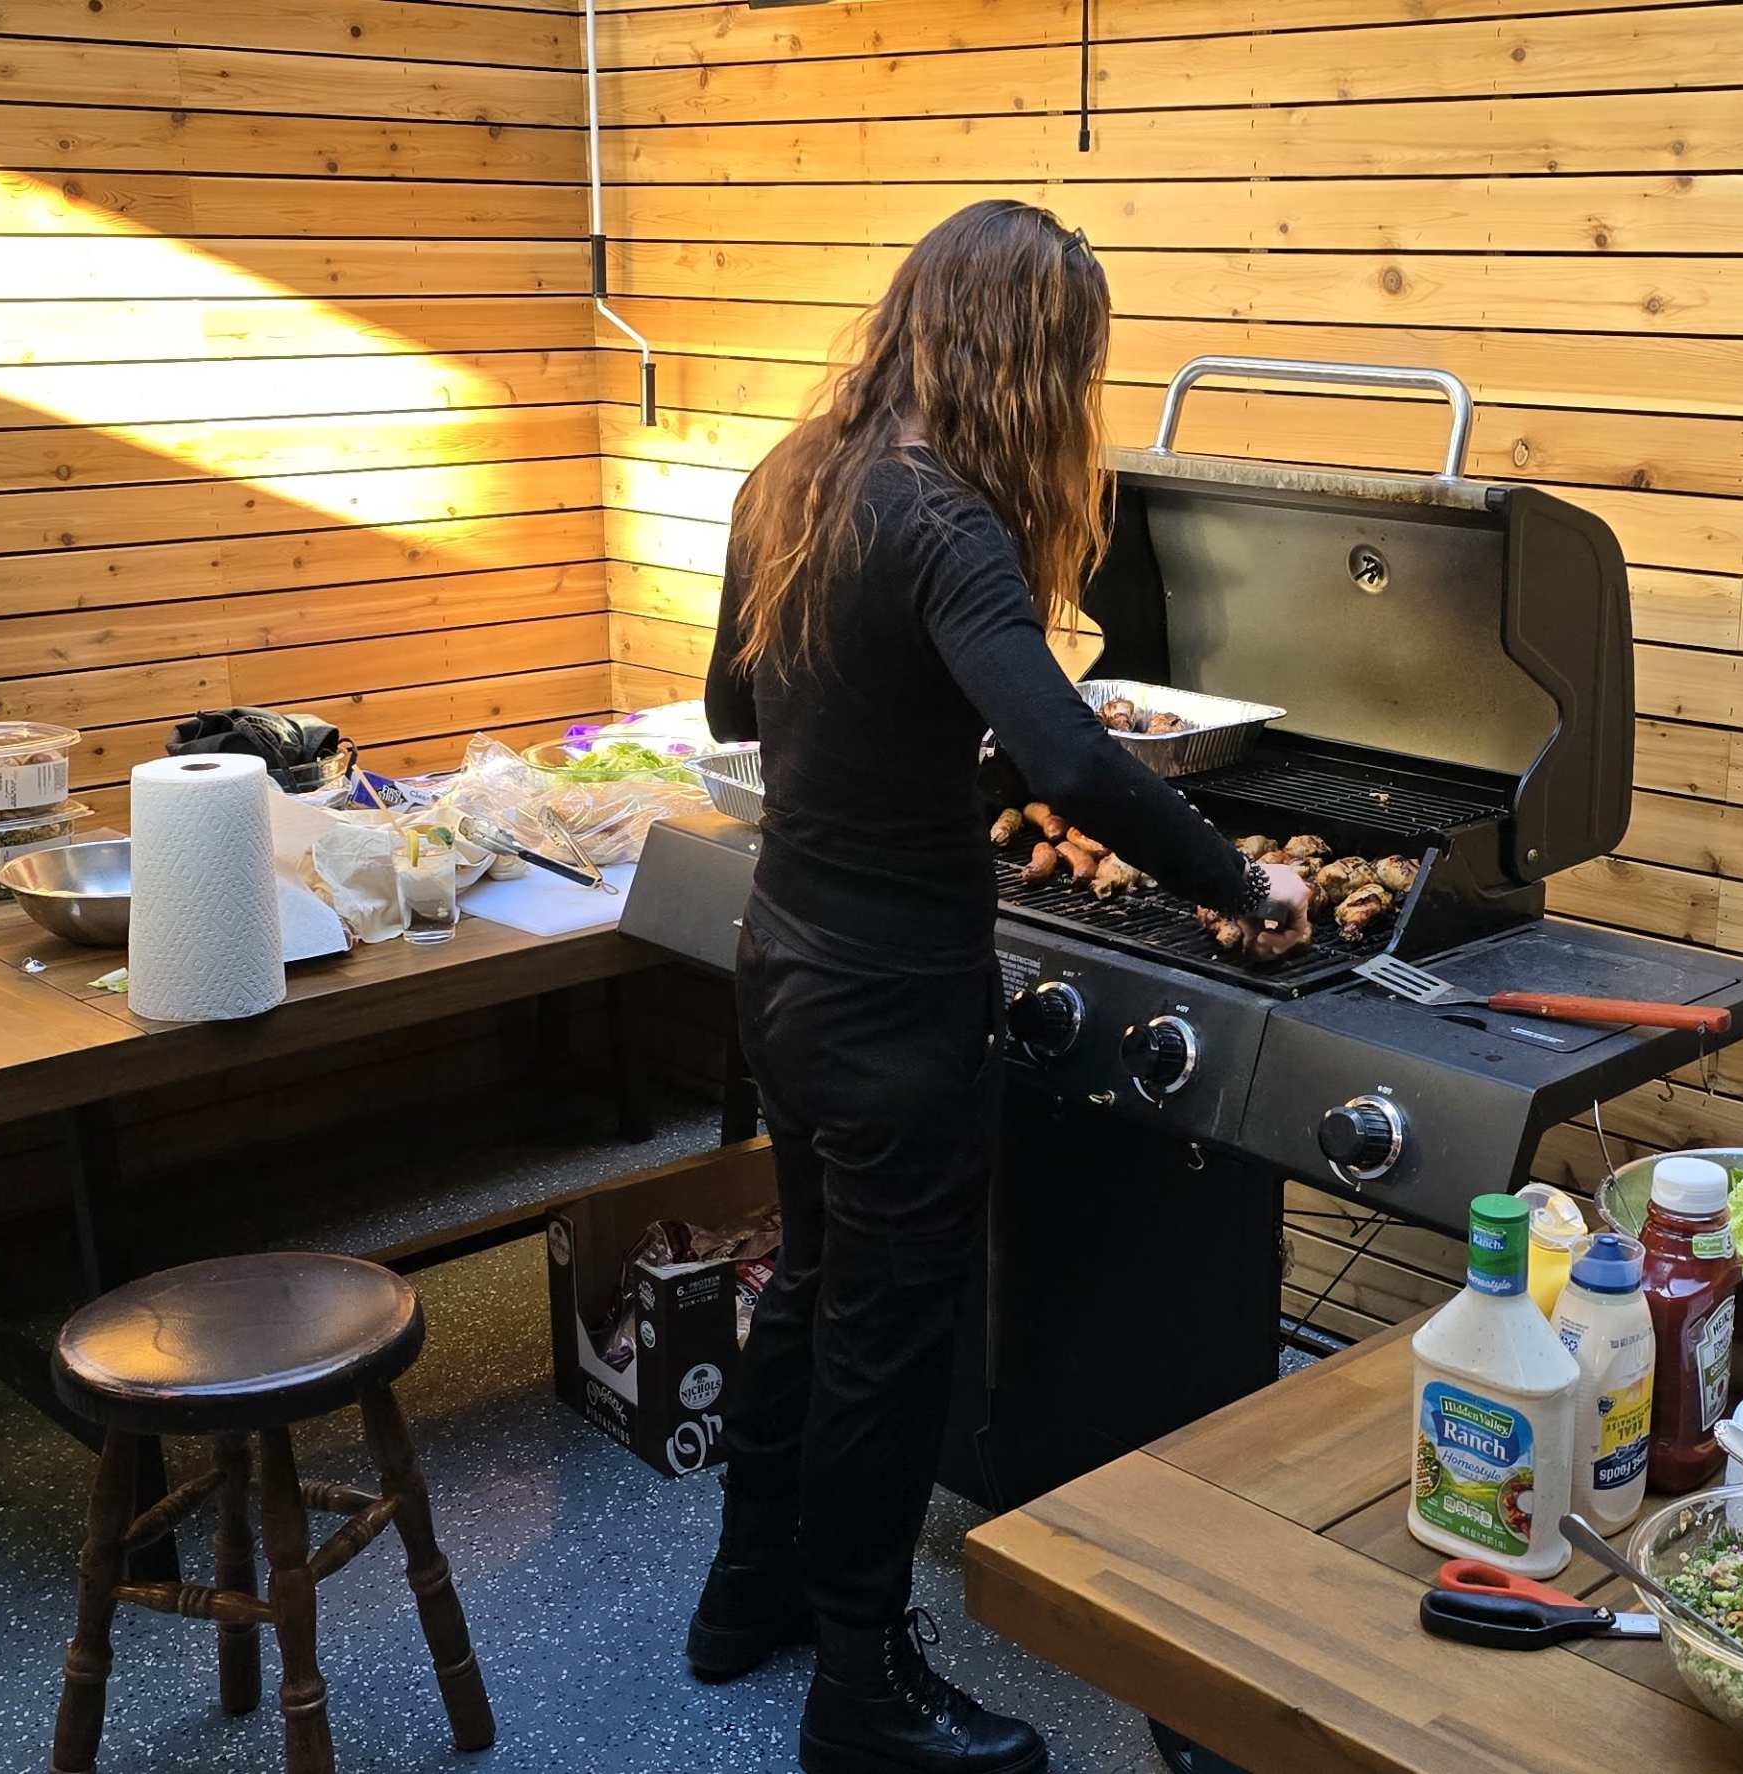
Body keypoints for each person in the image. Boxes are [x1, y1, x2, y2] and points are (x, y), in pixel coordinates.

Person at [687, 200, 1314, 1774]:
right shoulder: (944, 518)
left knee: (811, 1288)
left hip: (784, 965)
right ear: (1027, 360)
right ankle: (864, 1683)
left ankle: (742, 1594)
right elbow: (1070, 755)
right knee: (891, 1337)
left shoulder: (793, 476)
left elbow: (735, 699)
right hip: (897, 1005)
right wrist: (1242, 882)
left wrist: (909, 746)